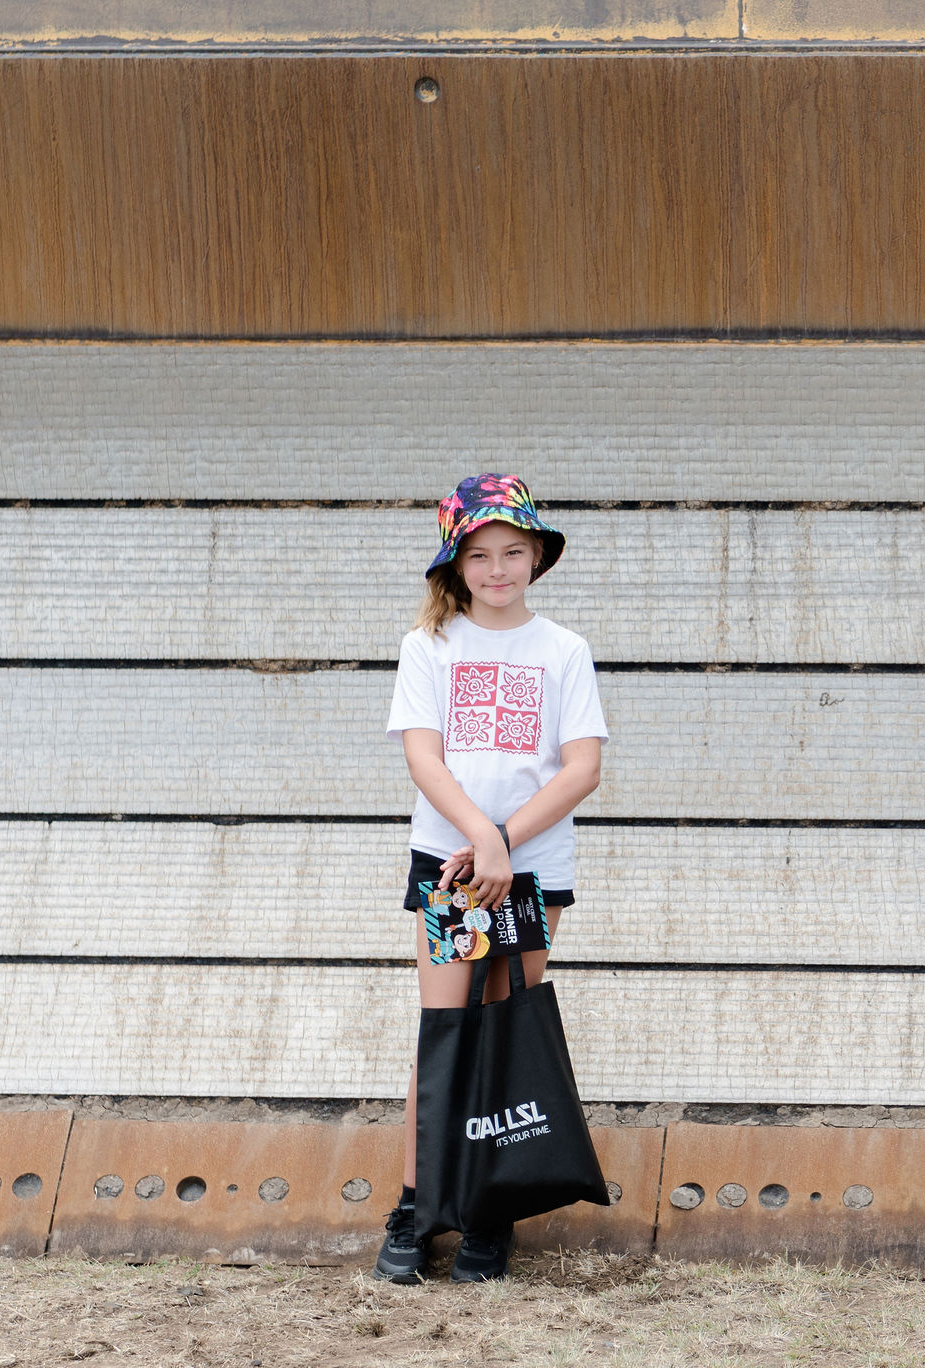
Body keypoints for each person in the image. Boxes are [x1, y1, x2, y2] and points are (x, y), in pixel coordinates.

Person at [373, 473, 608, 1284]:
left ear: (537, 556)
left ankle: (489, 1212)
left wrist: (505, 842)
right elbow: (423, 756)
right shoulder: (429, 646)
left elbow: (582, 769)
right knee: (446, 1031)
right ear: (456, 564)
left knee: (506, 1029)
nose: (498, 569)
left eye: (513, 551)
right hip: (453, 870)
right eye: (480, 555)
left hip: (530, 870)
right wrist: (480, 838)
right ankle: (415, 1207)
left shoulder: (563, 650)